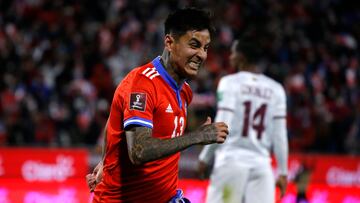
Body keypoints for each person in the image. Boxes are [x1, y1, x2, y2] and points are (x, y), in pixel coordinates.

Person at [87, 8, 229, 202]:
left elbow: (115, 120)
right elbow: (139, 151)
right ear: (169, 42)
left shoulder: (184, 91)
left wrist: (105, 160)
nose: (202, 55)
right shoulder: (142, 84)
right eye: (194, 45)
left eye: (205, 48)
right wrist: (197, 136)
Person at [198, 35, 288, 203]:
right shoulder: (276, 89)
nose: (230, 57)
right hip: (262, 168)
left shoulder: (229, 82)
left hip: (231, 163)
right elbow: (280, 135)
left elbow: (222, 123)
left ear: (242, 57)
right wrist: (283, 172)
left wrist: (205, 157)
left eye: (233, 53)